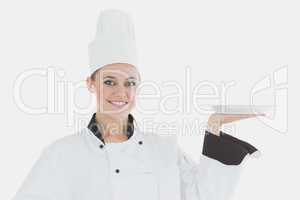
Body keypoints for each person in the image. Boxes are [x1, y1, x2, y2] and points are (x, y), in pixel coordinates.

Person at [12, 9, 264, 200]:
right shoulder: (61, 154)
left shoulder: (164, 149)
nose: (121, 92)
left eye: (130, 83)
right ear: (91, 83)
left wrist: (214, 125)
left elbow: (205, 196)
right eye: (110, 81)